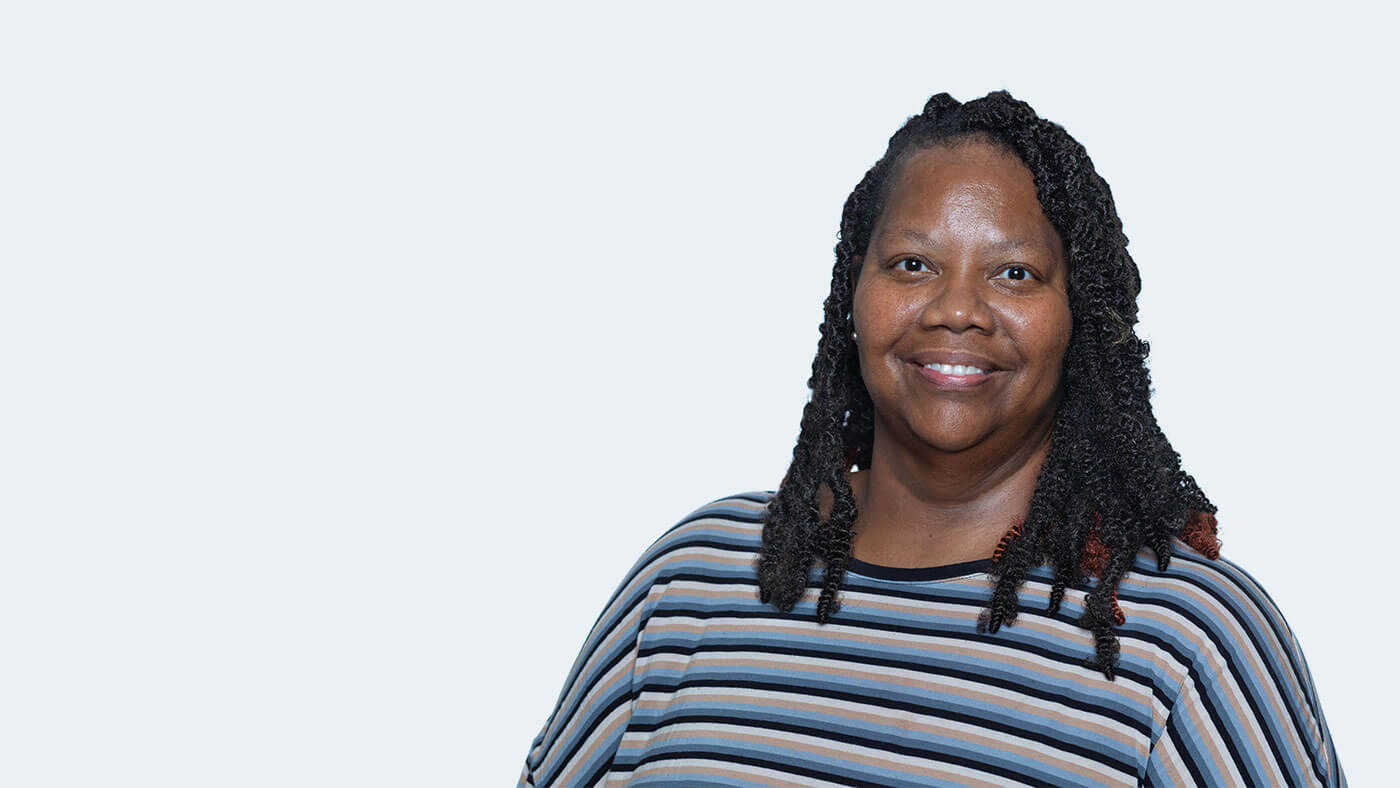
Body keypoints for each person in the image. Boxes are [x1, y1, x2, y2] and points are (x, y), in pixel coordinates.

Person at [517, 90, 1345, 787]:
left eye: (1014, 272)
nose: (956, 309)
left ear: (1081, 320)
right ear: (853, 294)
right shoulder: (692, 579)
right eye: (913, 264)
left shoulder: (1189, 642)